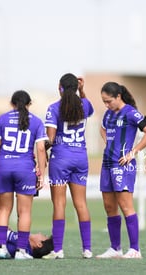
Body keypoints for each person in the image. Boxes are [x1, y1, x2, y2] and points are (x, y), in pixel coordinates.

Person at [96, 82, 146, 259]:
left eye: (108, 101)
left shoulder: (131, 112)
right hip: (107, 163)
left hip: (122, 165)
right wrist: (108, 143)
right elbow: (102, 128)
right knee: (109, 207)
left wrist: (133, 152)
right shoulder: (108, 114)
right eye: (104, 102)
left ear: (118, 97)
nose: (106, 105)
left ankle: (135, 249)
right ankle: (115, 248)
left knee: (125, 206)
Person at [0, 90, 47, 260]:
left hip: (3, 166)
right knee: (24, 212)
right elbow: (42, 149)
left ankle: (1, 248)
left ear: (11, 104)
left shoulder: (2, 119)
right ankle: (21, 251)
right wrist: (42, 174)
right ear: (29, 104)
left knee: (4, 209)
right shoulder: (36, 121)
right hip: (25, 168)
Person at [42, 73, 94, 259]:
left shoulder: (54, 108)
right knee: (81, 204)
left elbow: (51, 138)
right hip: (81, 157)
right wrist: (83, 90)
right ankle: (87, 249)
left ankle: (58, 250)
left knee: (59, 204)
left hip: (61, 159)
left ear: (60, 88)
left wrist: (40, 148)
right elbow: (88, 106)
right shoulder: (84, 105)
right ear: (76, 87)